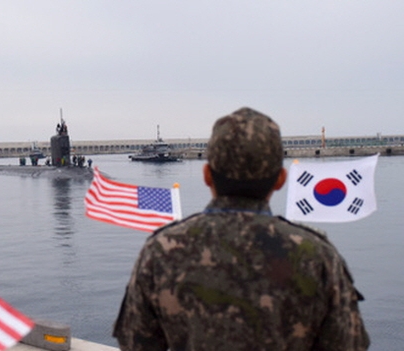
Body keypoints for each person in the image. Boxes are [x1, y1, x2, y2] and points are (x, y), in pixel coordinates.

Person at [113, 107, 369, 351]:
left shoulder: (161, 251)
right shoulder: (318, 256)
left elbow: (135, 343)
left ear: (207, 176)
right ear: (281, 179)